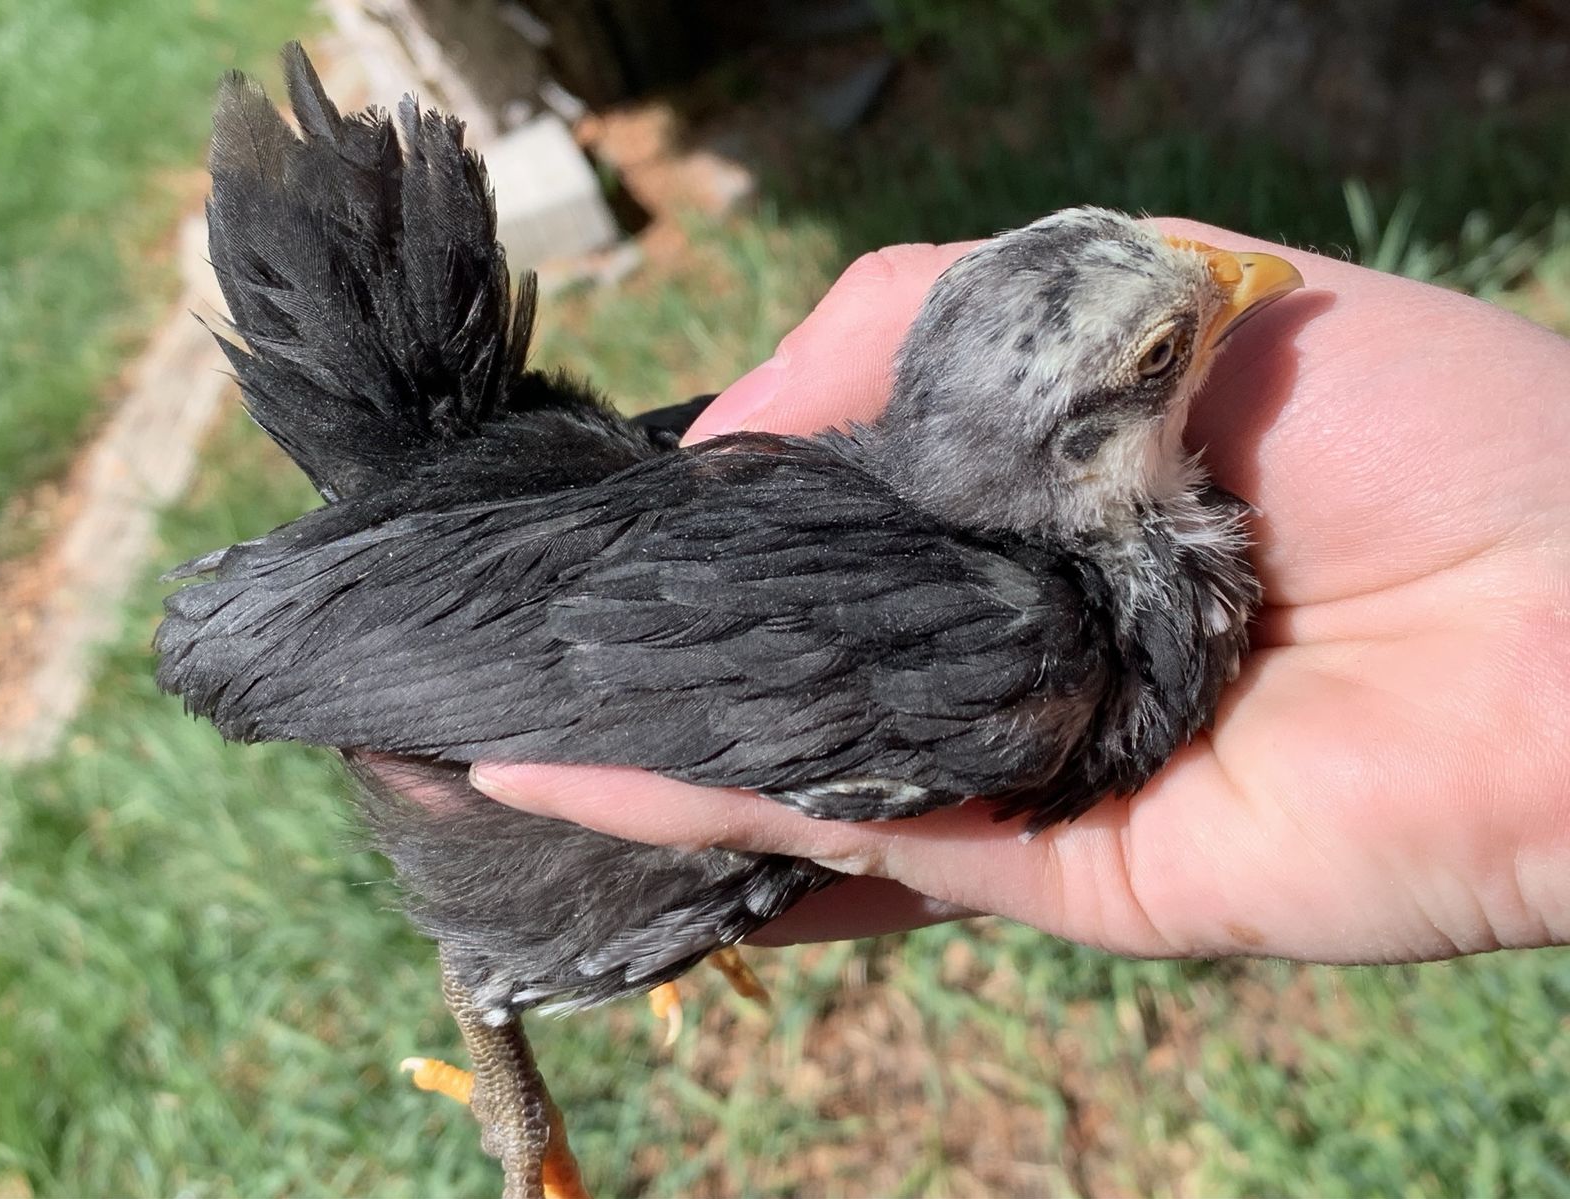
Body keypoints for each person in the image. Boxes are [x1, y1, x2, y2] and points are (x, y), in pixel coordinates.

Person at [470, 219, 1570, 966]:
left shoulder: (1023, 629)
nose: (1248, 275)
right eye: (1163, 350)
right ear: (1083, 450)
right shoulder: (1008, 644)